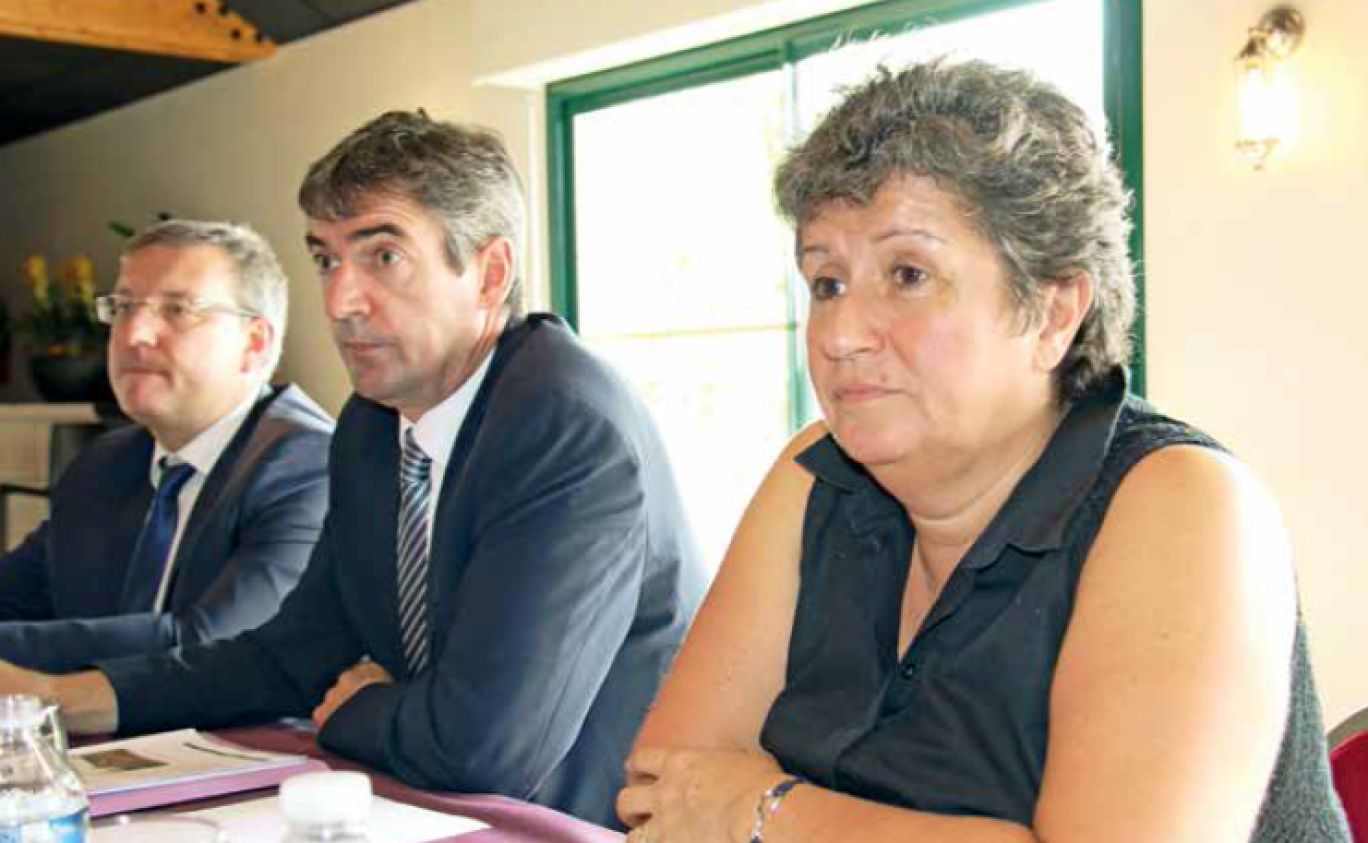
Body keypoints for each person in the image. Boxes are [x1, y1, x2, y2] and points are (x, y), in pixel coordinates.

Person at [616, 58, 1350, 843]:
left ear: (1052, 311)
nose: (839, 334)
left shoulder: (1185, 505)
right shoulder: (813, 476)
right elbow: (662, 795)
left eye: (907, 273)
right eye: (826, 282)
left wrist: (764, 808)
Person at [0, 111, 705, 829]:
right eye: (326, 259)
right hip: (430, 806)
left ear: (489, 273)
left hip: (577, 822)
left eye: (384, 257)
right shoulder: (371, 424)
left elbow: (482, 744)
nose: (340, 302)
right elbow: (292, 653)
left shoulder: (563, 421)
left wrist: (354, 706)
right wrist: (64, 693)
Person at [0, 220, 332, 674]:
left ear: (253, 344)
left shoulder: (308, 465)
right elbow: (17, 595)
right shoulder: (106, 462)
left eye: (177, 310)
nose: (134, 334)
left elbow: (213, 643)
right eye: (123, 307)